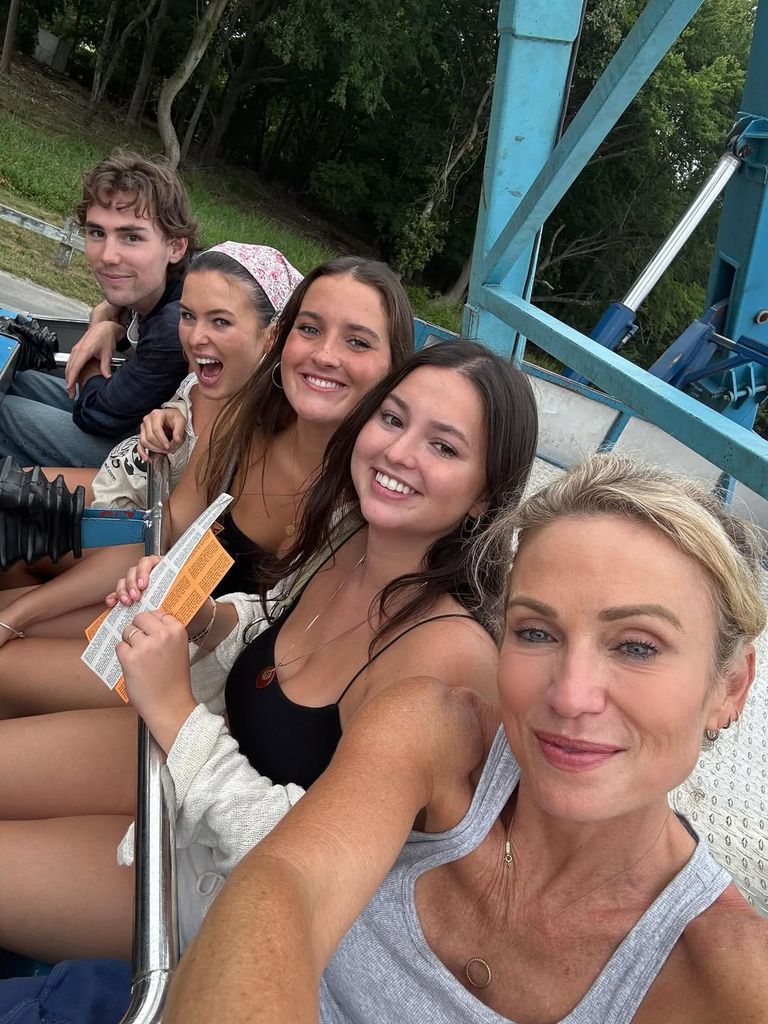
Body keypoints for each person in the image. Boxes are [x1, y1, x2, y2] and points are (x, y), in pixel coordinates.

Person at [164, 453, 768, 1024]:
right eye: (536, 632)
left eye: (637, 646)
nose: (569, 694)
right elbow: (284, 885)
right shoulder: (436, 730)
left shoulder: (728, 977)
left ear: (731, 686)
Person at [0, 340, 538, 965]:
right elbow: (271, 617)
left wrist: (176, 712)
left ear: (484, 495)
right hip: (174, 769)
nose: (397, 451)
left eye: (443, 446)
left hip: (222, 886)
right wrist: (203, 619)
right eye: (392, 418)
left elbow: (314, 860)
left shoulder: (449, 659)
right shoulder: (348, 534)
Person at [0, 255, 413, 718]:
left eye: (357, 341)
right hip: (161, 615)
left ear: (396, 369)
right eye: (311, 329)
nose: (325, 355)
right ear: (284, 337)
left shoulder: (371, 504)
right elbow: (164, 538)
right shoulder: (242, 418)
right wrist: (19, 615)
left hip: (205, 686)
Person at [0, 241, 303, 593]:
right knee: (9, 502)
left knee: (12, 528)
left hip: (140, 528)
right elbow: (186, 403)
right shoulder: (213, 375)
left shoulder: (244, 415)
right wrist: (168, 413)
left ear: (271, 334)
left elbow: (169, 533)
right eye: (187, 315)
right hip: (123, 481)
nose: (196, 337)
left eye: (220, 321)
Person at [0, 150, 197, 469]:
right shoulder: (154, 285)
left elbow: (96, 416)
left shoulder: (177, 322)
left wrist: (93, 346)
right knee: (17, 382)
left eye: (131, 237)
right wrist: (112, 324)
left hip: (153, 462)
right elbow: (116, 310)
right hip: (136, 418)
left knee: (3, 413)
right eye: (97, 233)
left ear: (175, 246)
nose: (108, 255)